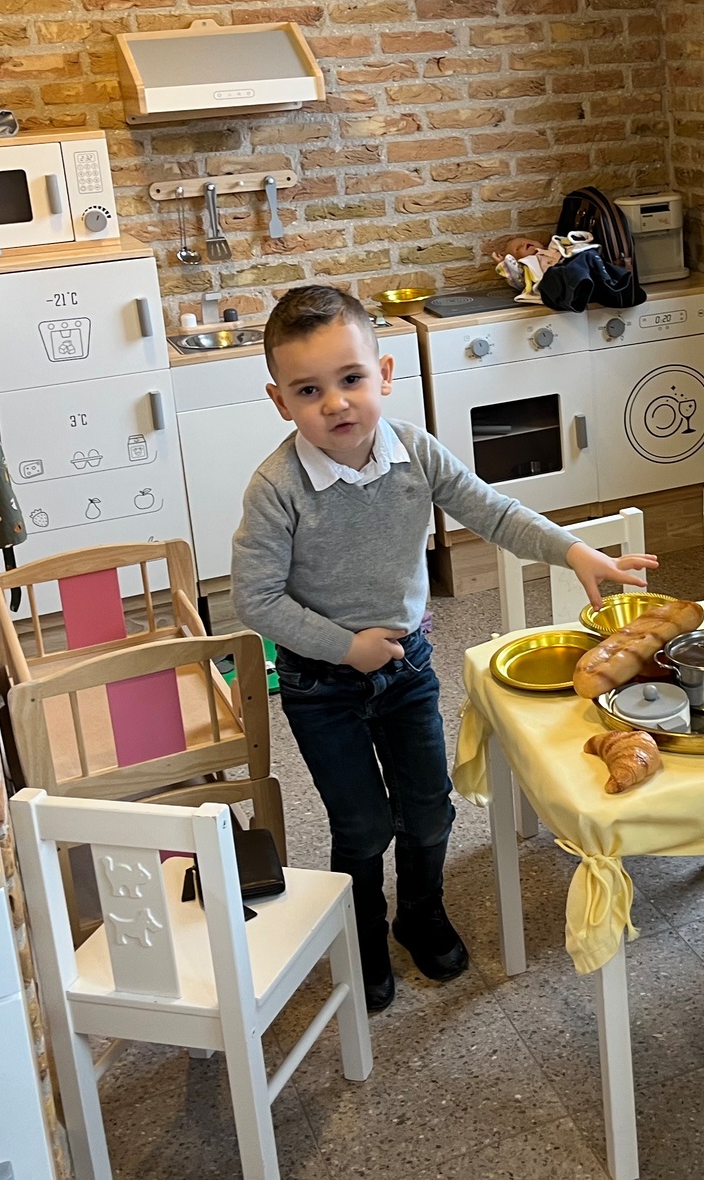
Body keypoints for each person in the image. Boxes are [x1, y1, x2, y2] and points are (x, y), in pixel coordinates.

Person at [231, 285, 657, 1012]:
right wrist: (345, 647)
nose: (335, 403)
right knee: (361, 823)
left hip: (407, 668)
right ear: (280, 402)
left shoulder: (414, 452)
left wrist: (574, 551)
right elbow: (257, 599)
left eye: (351, 379)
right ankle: (363, 935)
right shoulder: (278, 488)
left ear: (384, 375)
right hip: (320, 684)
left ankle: (420, 914)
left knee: (428, 809)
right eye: (309, 390)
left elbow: (493, 512)